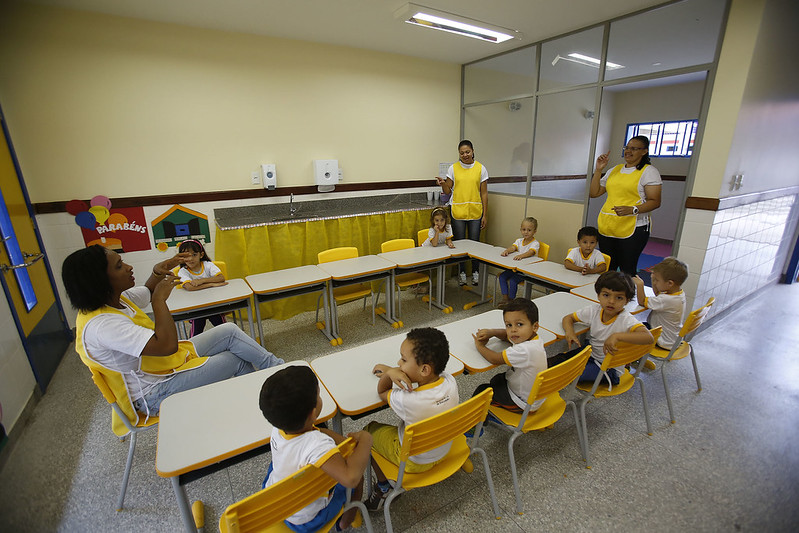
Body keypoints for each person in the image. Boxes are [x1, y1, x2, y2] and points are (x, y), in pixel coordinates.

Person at [62, 244, 284, 419]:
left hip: (162, 368)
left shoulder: (116, 299)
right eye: (119, 266)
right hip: (153, 394)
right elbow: (166, 346)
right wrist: (159, 301)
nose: (129, 267)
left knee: (229, 330)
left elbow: (148, 290)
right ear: (100, 280)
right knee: (234, 360)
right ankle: (265, 408)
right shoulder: (103, 325)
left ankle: (280, 369)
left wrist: (159, 270)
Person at [259, 366, 372, 532]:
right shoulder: (317, 445)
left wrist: (344, 443)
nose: (320, 397)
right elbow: (350, 478)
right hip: (305, 520)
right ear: (313, 413)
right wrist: (366, 439)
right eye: (318, 395)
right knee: (358, 479)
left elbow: (316, 432)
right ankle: (346, 519)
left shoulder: (279, 427)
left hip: (274, 500)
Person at [365, 328, 458, 510]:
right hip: (444, 449)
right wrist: (396, 370)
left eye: (404, 360)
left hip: (415, 461)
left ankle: (383, 488)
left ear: (424, 369)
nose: (398, 363)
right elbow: (427, 381)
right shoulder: (450, 382)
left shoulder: (409, 400)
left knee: (368, 432)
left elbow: (382, 392)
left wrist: (389, 374)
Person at [549, 271, 654, 386]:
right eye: (606, 295)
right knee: (557, 361)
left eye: (619, 297)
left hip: (609, 368)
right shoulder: (594, 310)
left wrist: (616, 336)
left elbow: (649, 337)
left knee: (569, 374)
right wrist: (570, 332)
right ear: (598, 295)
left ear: (627, 301)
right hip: (591, 354)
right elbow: (568, 318)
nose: (611, 301)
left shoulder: (626, 319)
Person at [589, 135, 662, 275]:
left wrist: (633, 209)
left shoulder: (649, 172)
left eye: (634, 148)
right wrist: (598, 170)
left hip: (634, 229)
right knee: (607, 269)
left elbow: (655, 201)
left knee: (627, 270)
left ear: (644, 151)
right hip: (608, 226)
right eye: (627, 148)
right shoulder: (614, 170)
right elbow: (594, 193)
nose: (628, 151)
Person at [472, 298, 547, 413]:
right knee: (497, 379)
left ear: (535, 326)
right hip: (533, 396)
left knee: (481, 391)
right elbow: (507, 336)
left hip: (522, 403)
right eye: (509, 325)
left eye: (519, 324)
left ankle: (477, 421)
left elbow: (494, 359)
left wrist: (479, 346)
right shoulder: (533, 339)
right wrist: (492, 332)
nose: (513, 330)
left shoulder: (524, 350)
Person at [436, 140, 489, 286]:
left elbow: (484, 193)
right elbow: (448, 191)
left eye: (467, 152)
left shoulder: (481, 168)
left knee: (474, 243)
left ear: (472, 151)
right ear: (459, 154)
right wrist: (443, 184)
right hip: (458, 211)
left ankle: (475, 272)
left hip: (475, 212)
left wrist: (485, 214)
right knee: (459, 244)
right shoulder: (453, 168)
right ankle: (462, 273)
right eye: (462, 153)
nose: (465, 155)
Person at [633, 257, 688, 350]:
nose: (655, 282)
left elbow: (642, 301)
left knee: (628, 329)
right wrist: (654, 279)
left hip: (662, 340)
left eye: (657, 280)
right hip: (673, 339)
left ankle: (632, 355)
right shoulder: (679, 294)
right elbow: (658, 294)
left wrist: (640, 285)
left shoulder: (666, 299)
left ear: (670, 283)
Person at [177, 239, 227, 336]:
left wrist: (202, 281)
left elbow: (221, 278)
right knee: (197, 325)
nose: (190, 259)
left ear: (201, 255)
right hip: (195, 307)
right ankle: (193, 343)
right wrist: (211, 284)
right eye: (186, 256)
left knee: (222, 325)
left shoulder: (208, 265)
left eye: (194, 254)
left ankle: (228, 338)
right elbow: (189, 287)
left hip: (213, 304)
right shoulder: (183, 271)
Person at [497, 217, 539, 306]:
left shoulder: (535, 243)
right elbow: (513, 247)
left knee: (513, 281)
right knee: (502, 277)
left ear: (534, 231)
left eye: (529, 230)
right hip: (515, 268)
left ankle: (511, 301)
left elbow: (531, 252)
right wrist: (507, 251)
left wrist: (521, 256)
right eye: (524, 229)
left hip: (525, 271)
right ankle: (505, 298)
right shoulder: (519, 241)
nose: (526, 232)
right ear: (520, 230)